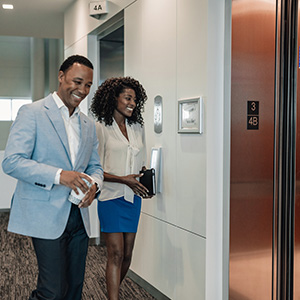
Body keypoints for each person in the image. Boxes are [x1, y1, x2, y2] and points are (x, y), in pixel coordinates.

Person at [2, 55, 103, 300]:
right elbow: (12, 161)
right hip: (45, 215)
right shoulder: (33, 112)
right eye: (77, 81)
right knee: (52, 291)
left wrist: (95, 185)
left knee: (74, 288)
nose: (82, 90)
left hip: (78, 216)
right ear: (61, 76)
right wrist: (60, 176)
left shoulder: (88, 125)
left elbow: (95, 166)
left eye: (88, 85)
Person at [90, 77, 151, 299]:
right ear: (114, 98)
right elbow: (94, 169)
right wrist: (124, 179)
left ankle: (112, 290)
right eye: (127, 97)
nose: (132, 103)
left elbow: (138, 161)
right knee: (115, 253)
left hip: (133, 198)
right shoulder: (101, 128)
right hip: (110, 198)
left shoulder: (137, 127)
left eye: (135, 99)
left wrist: (143, 177)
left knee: (127, 255)